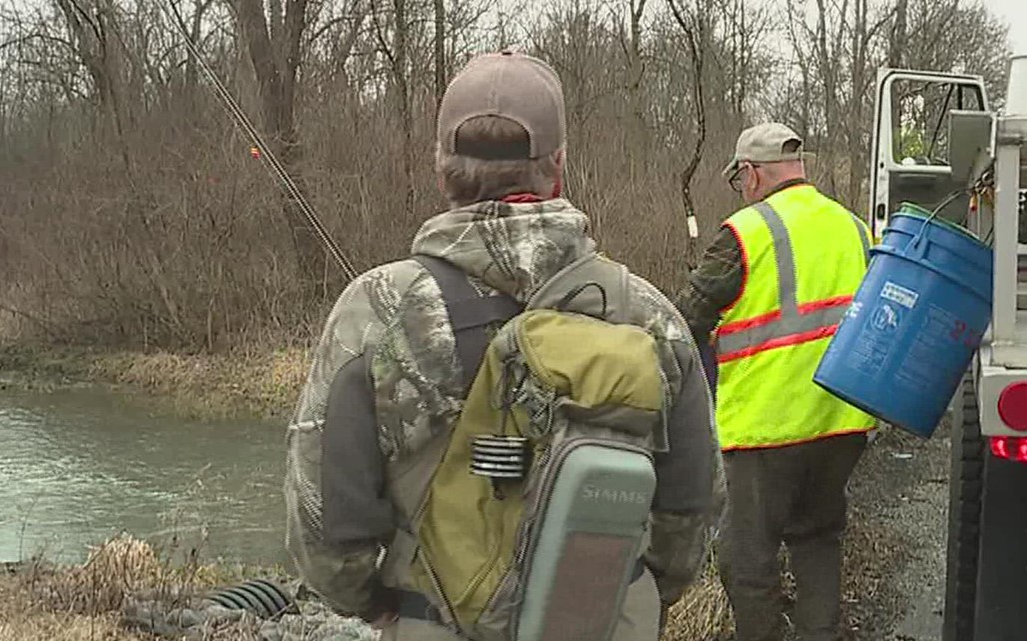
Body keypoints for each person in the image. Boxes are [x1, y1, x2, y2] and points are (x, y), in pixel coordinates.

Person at [282, 50, 725, 641]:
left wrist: (379, 606)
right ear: (559, 167)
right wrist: (631, 596)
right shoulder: (649, 316)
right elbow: (694, 509)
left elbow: (325, 524)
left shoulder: (376, 308)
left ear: (443, 170)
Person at [673, 122, 877, 641]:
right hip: (842, 425)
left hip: (767, 430)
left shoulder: (745, 232)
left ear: (752, 173)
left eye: (740, 179)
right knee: (817, 541)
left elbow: (683, 322)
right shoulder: (855, 228)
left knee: (748, 560)